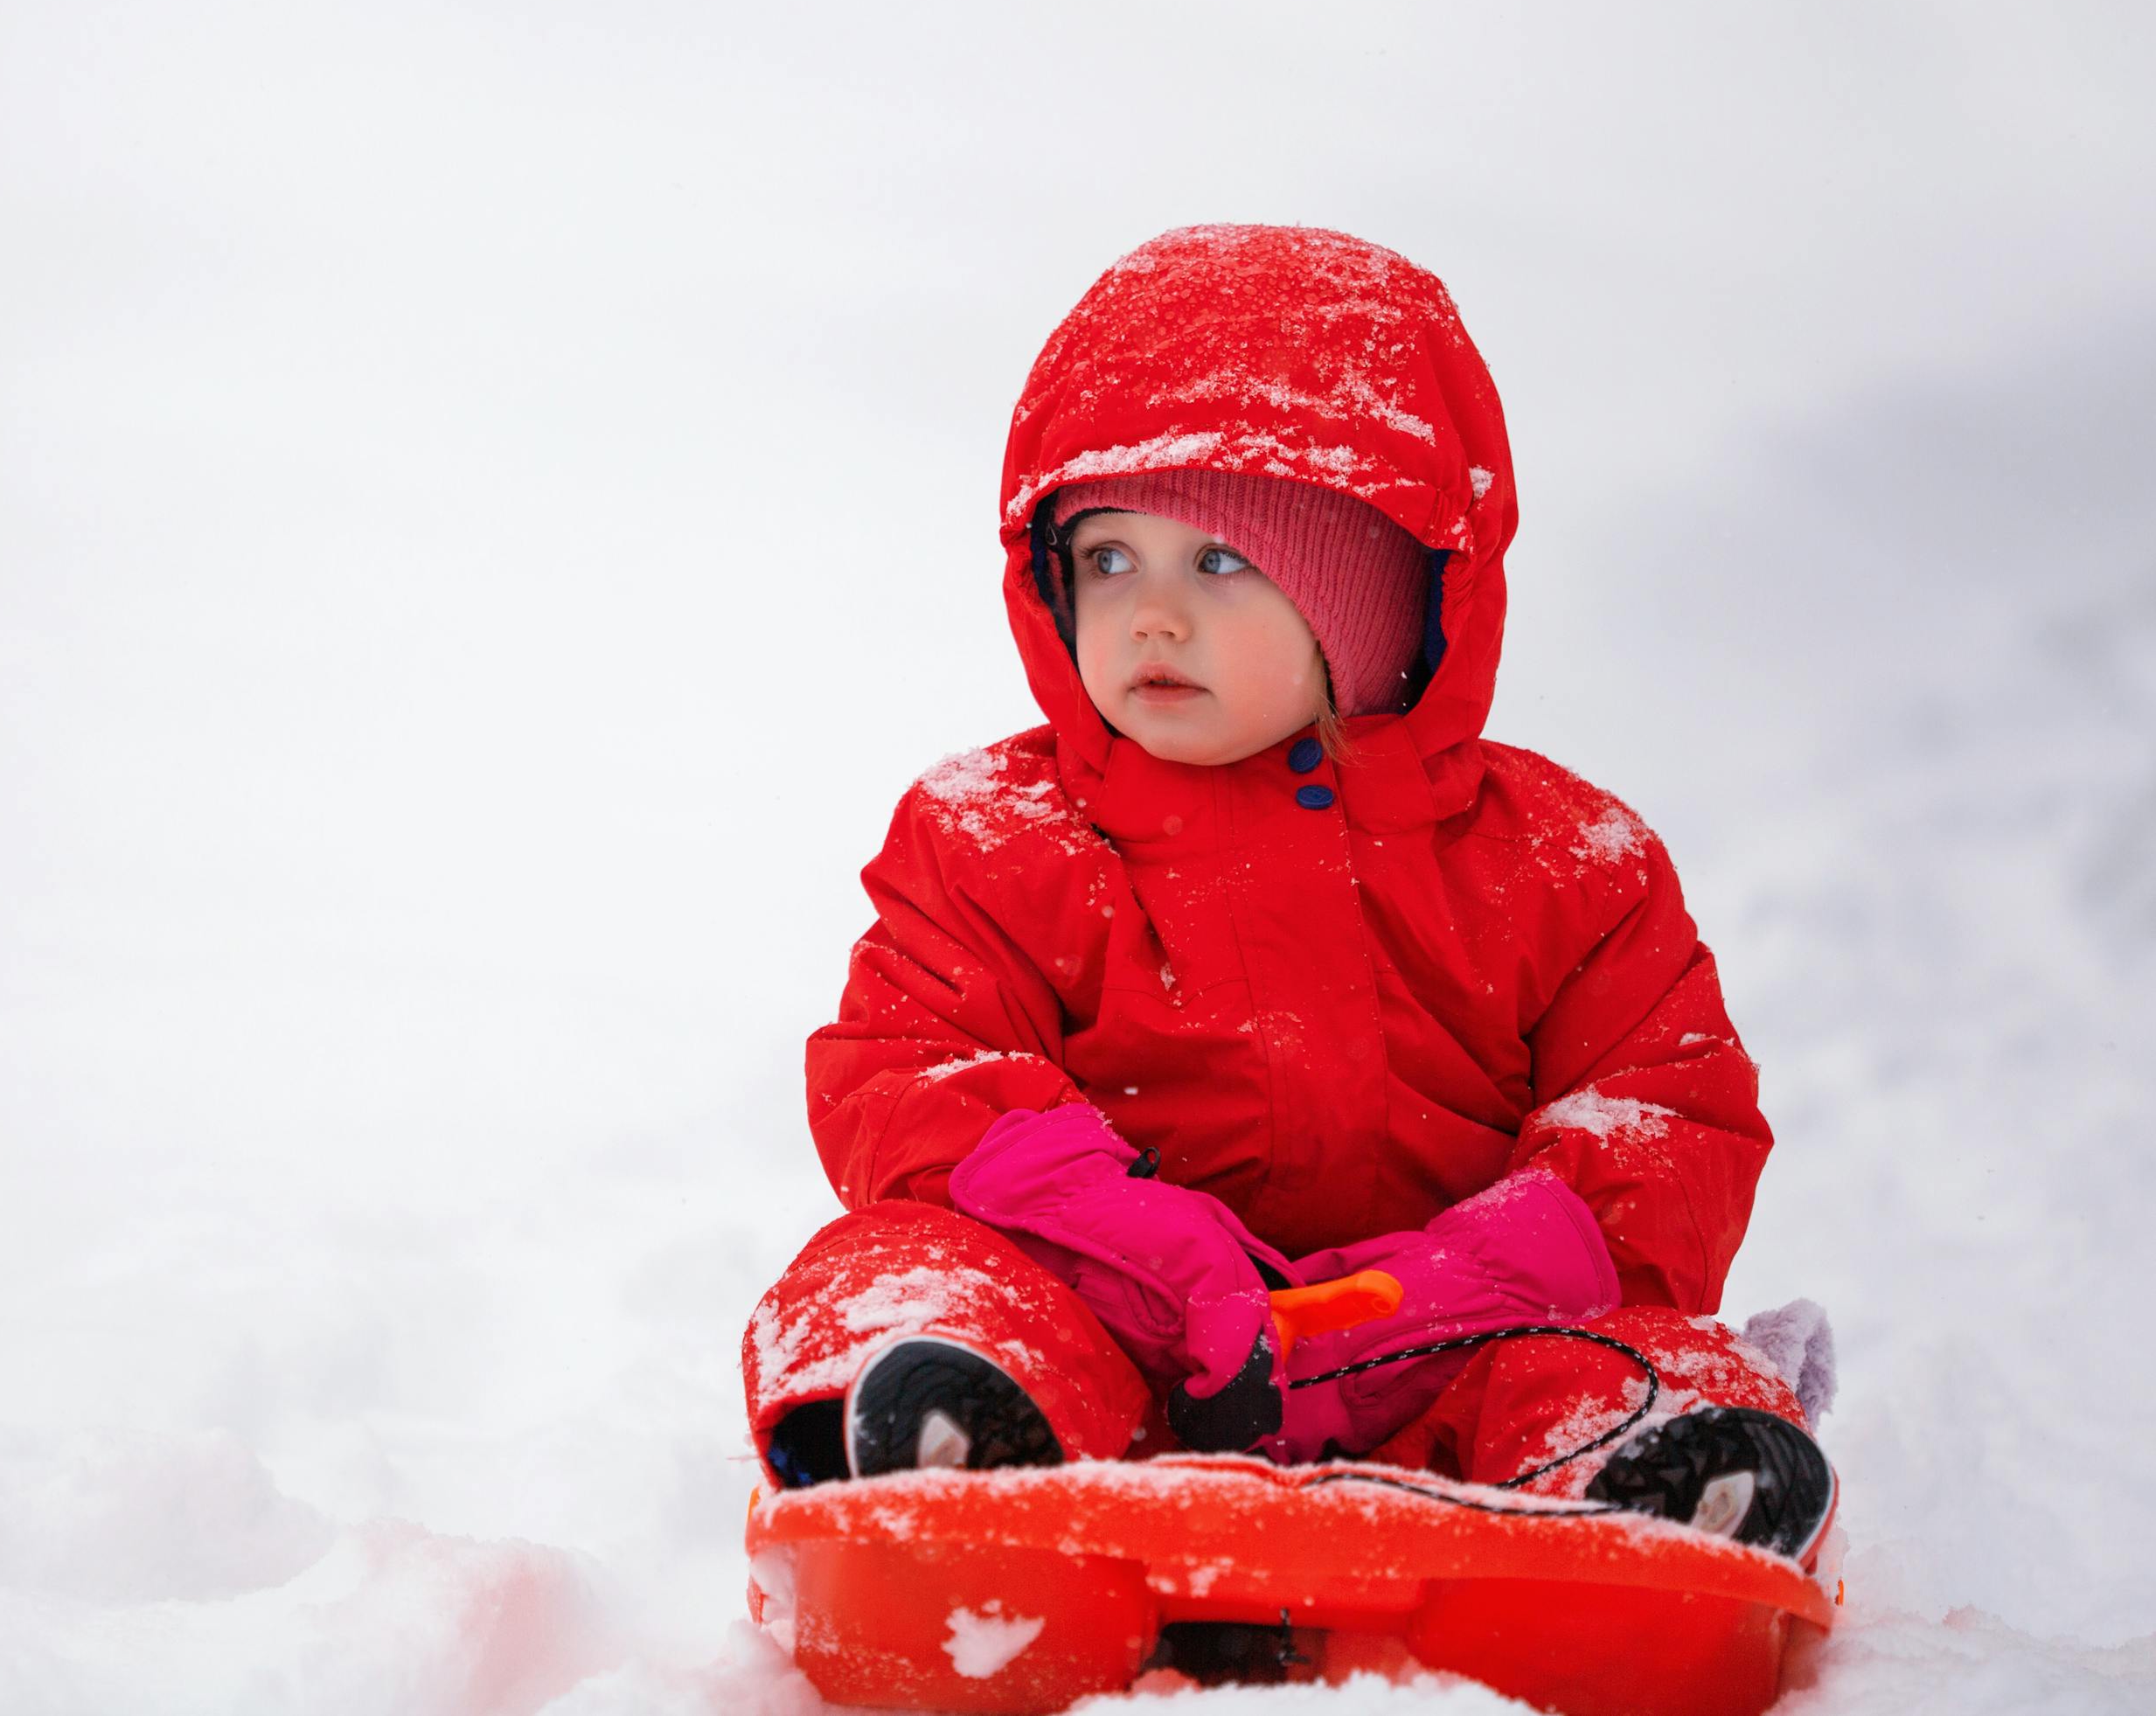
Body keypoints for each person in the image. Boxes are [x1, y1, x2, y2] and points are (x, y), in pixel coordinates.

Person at [742, 225, 1836, 1565]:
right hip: (1121, 1338)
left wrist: (1450, 1283)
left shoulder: (1565, 860)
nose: (1149, 615)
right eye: (1105, 558)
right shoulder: (992, 836)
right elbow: (916, 1074)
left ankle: (1647, 1485)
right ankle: (951, 1445)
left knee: (1631, 1348)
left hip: (1462, 1347)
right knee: (892, 1272)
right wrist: (1143, 1248)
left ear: (1382, 598)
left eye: (1217, 562)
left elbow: (1663, 1116)